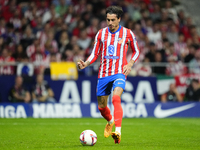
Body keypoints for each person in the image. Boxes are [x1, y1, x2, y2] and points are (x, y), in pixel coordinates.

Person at [77, 6, 140, 144]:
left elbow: (136, 51)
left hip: (119, 72)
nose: (110, 23)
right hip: (104, 73)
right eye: (108, 20)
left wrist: (129, 64)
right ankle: (110, 121)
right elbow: (95, 53)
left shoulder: (128, 33)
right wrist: (86, 63)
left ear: (119, 19)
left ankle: (118, 131)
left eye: (112, 20)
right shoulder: (100, 34)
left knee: (116, 98)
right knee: (101, 107)